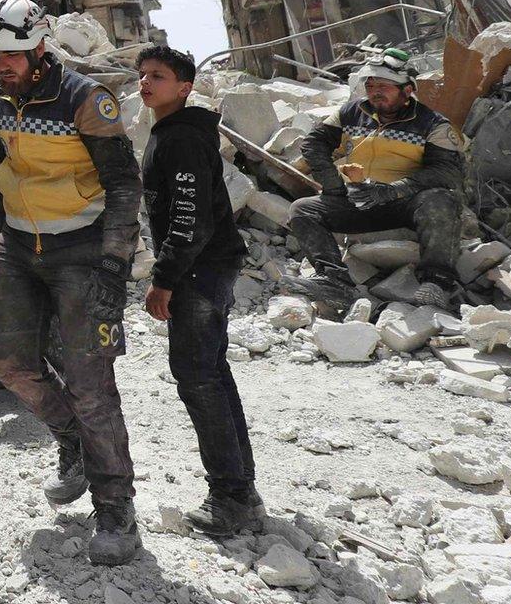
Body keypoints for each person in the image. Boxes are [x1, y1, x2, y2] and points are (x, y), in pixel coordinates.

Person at [0, 0, 144, 565]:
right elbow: (0, 177)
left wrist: (115, 264)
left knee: (91, 384)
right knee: (9, 365)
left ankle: (116, 507)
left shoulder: (86, 100)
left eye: (13, 53)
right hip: (18, 250)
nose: (3, 64)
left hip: (82, 252)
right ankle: (71, 439)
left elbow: (124, 185)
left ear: (40, 47)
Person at [137, 44, 263, 535]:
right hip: (205, 267)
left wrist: (164, 279)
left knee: (197, 375)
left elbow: (189, 220)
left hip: (198, 272)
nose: (146, 83)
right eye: (143, 75)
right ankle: (240, 488)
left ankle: (229, 496)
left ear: (185, 87)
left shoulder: (182, 139)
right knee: (210, 373)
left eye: (159, 76)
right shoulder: (170, 133)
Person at [284, 48, 465, 313]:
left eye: (384, 86)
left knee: (440, 200)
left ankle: (437, 282)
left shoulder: (433, 124)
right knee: (302, 209)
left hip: (405, 203)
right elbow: (314, 143)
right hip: (358, 199)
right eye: (370, 85)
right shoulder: (351, 113)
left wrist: (394, 190)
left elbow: (447, 171)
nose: (375, 91)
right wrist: (332, 183)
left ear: (407, 90)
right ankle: (334, 281)